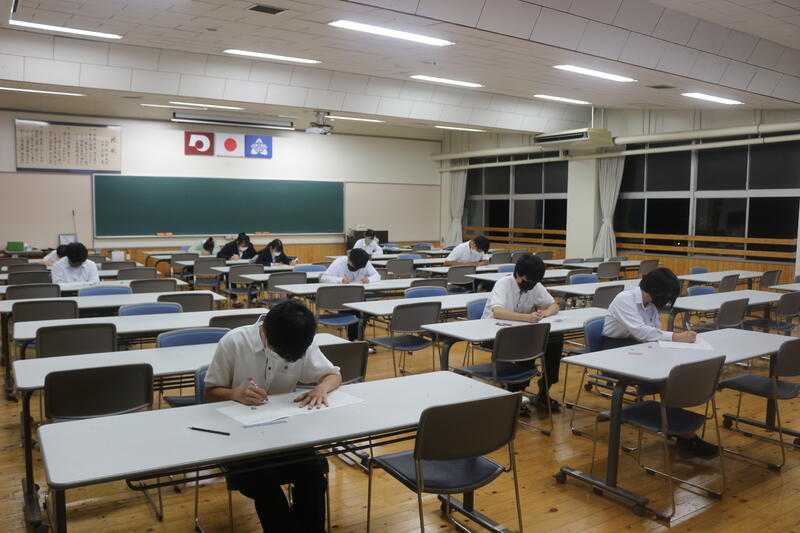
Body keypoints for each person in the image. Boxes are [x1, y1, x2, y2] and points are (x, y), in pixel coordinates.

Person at [204, 301, 341, 533]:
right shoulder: (234, 342)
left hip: (284, 434)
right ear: (265, 330)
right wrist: (236, 394)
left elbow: (333, 375)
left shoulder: (299, 339)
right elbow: (210, 392)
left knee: (314, 478)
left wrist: (321, 388)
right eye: (280, 353)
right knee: (266, 487)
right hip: (239, 438)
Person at [602, 267, 717, 459]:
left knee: (673, 370)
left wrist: (675, 341)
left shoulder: (651, 304)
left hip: (638, 346)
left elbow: (654, 332)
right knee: (665, 377)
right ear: (658, 291)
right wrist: (676, 337)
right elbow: (642, 332)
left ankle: (677, 428)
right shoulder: (625, 299)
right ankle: (685, 435)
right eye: (668, 294)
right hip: (613, 350)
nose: (668, 300)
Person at [481, 253, 563, 412]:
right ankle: (515, 394)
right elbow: (498, 312)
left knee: (555, 338)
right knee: (530, 343)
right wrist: (527, 318)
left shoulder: (535, 285)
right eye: (529, 281)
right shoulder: (503, 284)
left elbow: (554, 305)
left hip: (521, 333)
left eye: (535, 282)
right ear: (519, 275)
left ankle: (544, 390)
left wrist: (545, 313)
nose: (532, 285)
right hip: (495, 336)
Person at [320, 248, 380, 340]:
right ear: (348, 259)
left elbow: (377, 275)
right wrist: (340, 280)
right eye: (354, 266)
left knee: (363, 312)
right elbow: (324, 278)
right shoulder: (339, 262)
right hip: (341, 296)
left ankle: (356, 338)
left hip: (358, 296)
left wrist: (369, 279)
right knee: (356, 312)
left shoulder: (365, 262)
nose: (356, 269)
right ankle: (355, 338)